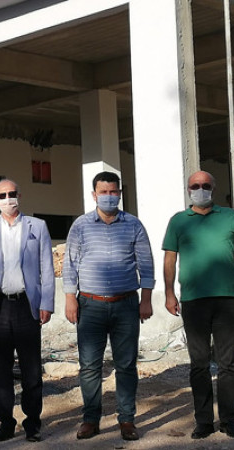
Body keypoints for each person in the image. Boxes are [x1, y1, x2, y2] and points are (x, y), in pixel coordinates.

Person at [163, 170, 234, 439]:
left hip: (226, 299)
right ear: (188, 190)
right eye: (195, 186)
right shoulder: (178, 221)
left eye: (205, 185)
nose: (200, 189)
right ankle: (204, 421)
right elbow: (170, 258)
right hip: (193, 301)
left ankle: (228, 420)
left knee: (227, 363)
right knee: (199, 364)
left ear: (213, 188)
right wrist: (169, 293)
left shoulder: (229, 217)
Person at [63, 171, 154, 441]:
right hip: (90, 305)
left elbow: (146, 263)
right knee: (90, 366)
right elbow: (70, 264)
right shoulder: (80, 226)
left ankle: (127, 419)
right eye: (103, 192)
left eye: (113, 192)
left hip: (126, 304)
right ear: (94, 195)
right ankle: (91, 419)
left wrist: (146, 299)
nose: (109, 196)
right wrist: (70, 298)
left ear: (120, 194)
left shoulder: (134, 225)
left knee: (126, 365)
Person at [0, 179, 55, 442]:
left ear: (19, 195)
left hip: (26, 306)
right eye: (2, 195)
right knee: (0, 370)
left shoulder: (37, 227)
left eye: (12, 193)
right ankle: (6, 422)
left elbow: (47, 268)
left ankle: (33, 423)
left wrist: (47, 303)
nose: (8, 198)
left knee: (31, 369)